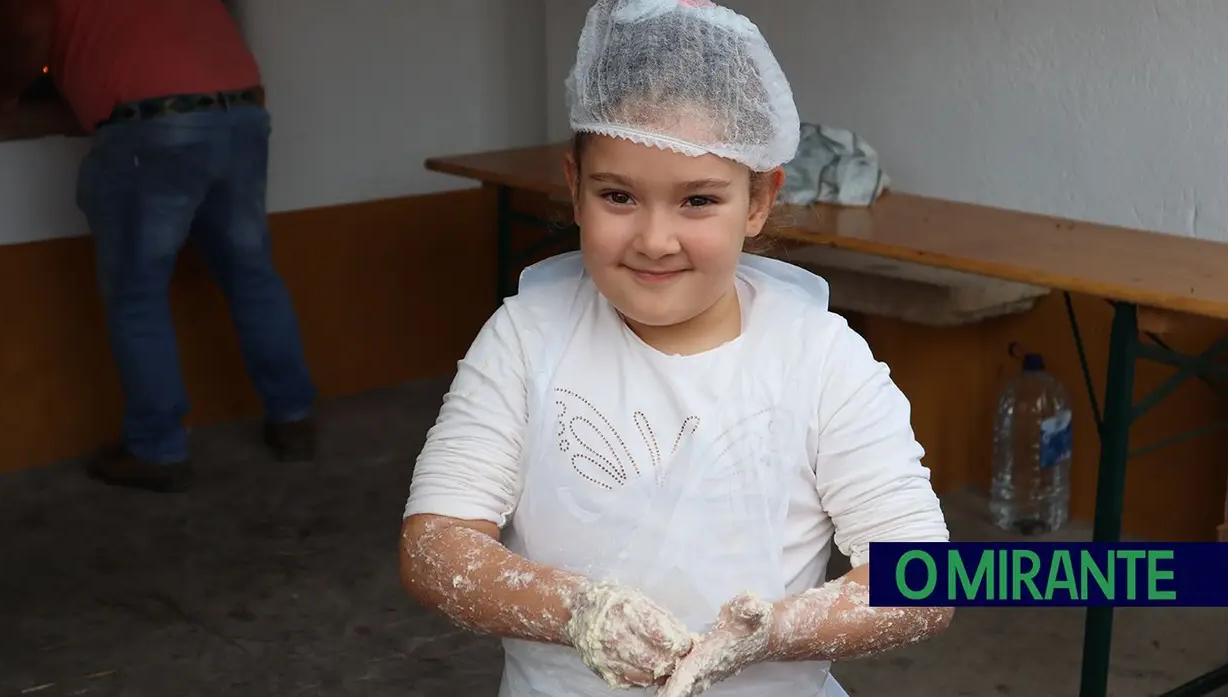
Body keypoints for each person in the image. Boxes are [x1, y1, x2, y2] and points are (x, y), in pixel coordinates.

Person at [400, 1, 953, 695]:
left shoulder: (820, 359)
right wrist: (577, 610)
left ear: (758, 200)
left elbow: (923, 578)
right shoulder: (525, 338)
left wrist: (775, 631)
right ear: (574, 188)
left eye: (698, 201)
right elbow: (434, 546)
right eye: (618, 195)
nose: (656, 239)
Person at [0, 0, 318, 493]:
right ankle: (294, 419)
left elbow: (26, 25)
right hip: (241, 111)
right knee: (251, 274)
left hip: (154, 124)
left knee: (136, 293)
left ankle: (157, 448)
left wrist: (3, 94)